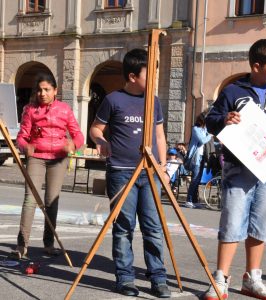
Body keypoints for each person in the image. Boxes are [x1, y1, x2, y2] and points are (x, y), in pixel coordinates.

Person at [203, 39, 266, 300]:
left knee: (260, 225)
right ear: (257, 66)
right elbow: (210, 120)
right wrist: (224, 119)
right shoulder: (233, 91)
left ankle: (252, 278)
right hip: (238, 169)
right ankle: (221, 279)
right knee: (233, 223)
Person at [89, 48, 171, 298]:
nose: (154, 79)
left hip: (150, 172)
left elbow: (159, 136)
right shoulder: (114, 100)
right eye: (151, 74)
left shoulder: (153, 101)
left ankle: (158, 277)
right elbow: (95, 129)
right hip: (122, 172)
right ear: (134, 76)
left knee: (153, 227)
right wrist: (101, 142)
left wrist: (163, 167)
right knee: (124, 226)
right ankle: (125, 277)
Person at [10, 73, 84, 259]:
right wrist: (25, 146)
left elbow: (78, 135)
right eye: (39, 90)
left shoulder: (64, 110)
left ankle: (48, 244)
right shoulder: (30, 109)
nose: (42, 93)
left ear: (55, 91)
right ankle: (22, 245)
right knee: (30, 199)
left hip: (58, 159)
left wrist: (73, 145)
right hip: (36, 157)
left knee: (52, 201)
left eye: (47, 89)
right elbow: (22, 136)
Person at [185, 114, 211, 208]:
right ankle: (189, 200)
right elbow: (202, 140)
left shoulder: (205, 129)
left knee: (198, 179)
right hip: (196, 157)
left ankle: (195, 200)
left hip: (202, 156)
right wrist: (210, 135)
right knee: (195, 179)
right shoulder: (195, 129)